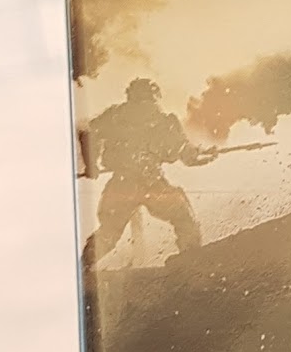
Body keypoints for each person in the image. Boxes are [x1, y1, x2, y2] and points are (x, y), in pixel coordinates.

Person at [81, 78, 214, 271]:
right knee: (183, 217)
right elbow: (186, 155)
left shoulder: (115, 116)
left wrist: (91, 163)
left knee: (108, 234)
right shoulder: (163, 121)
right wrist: (202, 156)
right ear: (154, 97)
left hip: (123, 185)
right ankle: (192, 262)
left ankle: (81, 267)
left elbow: (88, 133)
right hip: (151, 184)